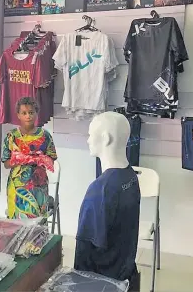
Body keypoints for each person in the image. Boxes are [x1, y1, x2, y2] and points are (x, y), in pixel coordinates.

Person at [74, 112, 140, 291]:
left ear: (105, 138)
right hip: (125, 274)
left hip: (103, 283)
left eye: (90, 134)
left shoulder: (100, 190)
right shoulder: (130, 175)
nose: (88, 140)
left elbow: (84, 255)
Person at [2, 97, 57, 219]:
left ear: (37, 114)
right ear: (18, 115)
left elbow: (52, 158)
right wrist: (17, 159)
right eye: (24, 113)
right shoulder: (12, 136)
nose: (28, 116)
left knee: (38, 221)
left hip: (39, 185)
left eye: (31, 112)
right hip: (17, 187)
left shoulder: (45, 136)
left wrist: (39, 159)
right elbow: (6, 163)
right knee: (18, 224)